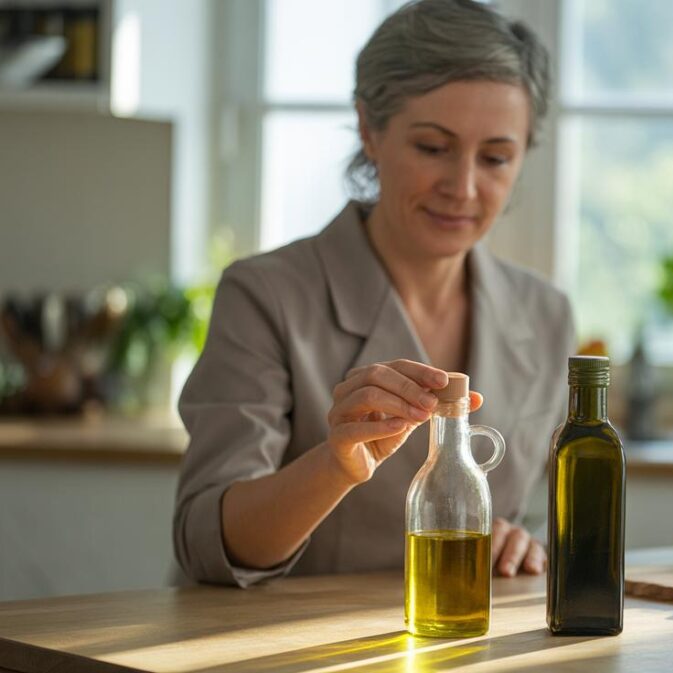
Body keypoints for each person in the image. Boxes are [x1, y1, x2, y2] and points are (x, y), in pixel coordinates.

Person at [173, 0, 572, 588]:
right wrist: (334, 465)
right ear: (369, 129)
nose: (463, 188)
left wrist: (512, 539)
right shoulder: (265, 295)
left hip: (453, 641)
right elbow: (206, 539)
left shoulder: (545, 314)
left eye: (495, 157)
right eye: (433, 147)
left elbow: (515, 510)